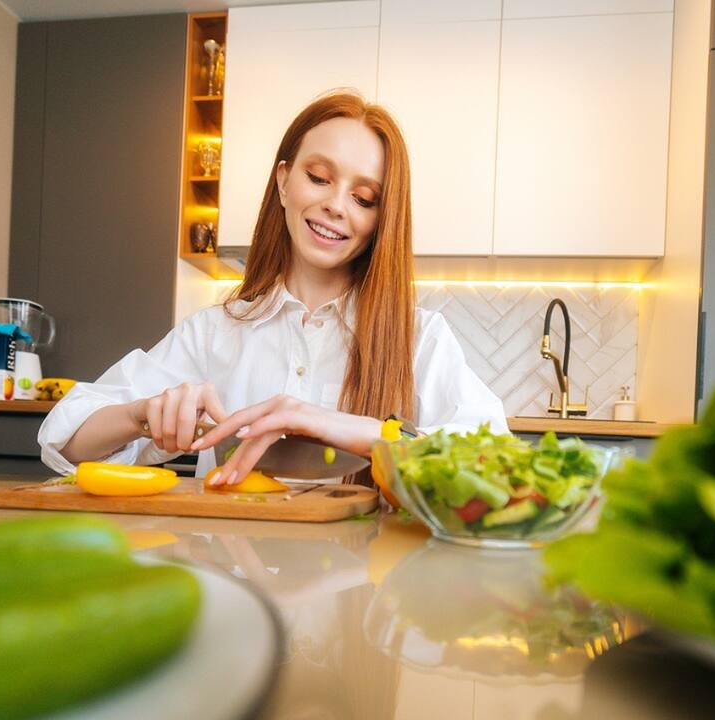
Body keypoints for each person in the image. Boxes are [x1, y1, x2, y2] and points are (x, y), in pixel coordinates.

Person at [39, 91, 507, 486]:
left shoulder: (419, 338)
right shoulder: (213, 332)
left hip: (363, 592)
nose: (335, 205)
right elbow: (65, 442)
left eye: (364, 198)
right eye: (319, 178)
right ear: (284, 182)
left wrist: (351, 428)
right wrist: (144, 413)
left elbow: (498, 465)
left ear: (381, 219)